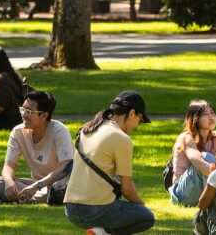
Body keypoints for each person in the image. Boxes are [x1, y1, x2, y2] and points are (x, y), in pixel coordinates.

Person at [64, 90, 154, 235]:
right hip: (95, 210)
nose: (138, 125)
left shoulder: (86, 128)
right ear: (131, 113)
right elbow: (127, 189)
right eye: (140, 119)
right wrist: (141, 206)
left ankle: (100, 232)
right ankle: (102, 232)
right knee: (147, 217)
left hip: (70, 209)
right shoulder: (121, 138)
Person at [0, 89, 73, 205]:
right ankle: (22, 198)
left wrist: (37, 186)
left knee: (59, 192)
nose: (23, 115)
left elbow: (65, 166)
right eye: (22, 109)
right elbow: (9, 165)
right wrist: (9, 182)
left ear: (44, 115)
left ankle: (14, 199)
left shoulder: (59, 131)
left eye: (28, 112)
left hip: (58, 184)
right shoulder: (18, 132)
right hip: (36, 185)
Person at [169, 99, 216, 207]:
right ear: (195, 119)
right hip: (183, 194)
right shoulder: (186, 138)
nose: (211, 117)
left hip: (202, 190)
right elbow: (200, 163)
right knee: (206, 157)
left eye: (212, 113)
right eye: (205, 114)